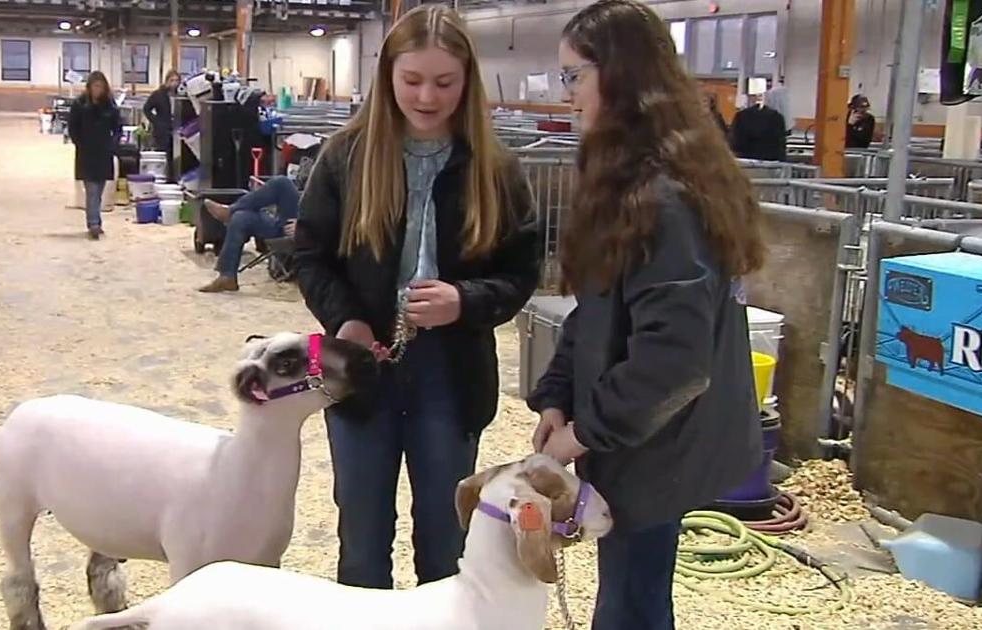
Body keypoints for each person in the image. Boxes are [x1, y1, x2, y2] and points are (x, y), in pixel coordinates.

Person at [529, 1, 765, 628]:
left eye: (574, 76)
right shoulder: (625, 180)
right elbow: (599, 311)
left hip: (657, 443)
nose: (569, 95)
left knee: (632, 603)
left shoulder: (663, 199)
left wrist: (582, 434)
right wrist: (556, 395)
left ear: (622, 75)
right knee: (632, 590)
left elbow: (674, 362)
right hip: (635, 435)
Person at [293, 4, 541, 590]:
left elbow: (520, 271)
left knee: (444, 541)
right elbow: (309, 255)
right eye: (412, 80)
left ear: (466, 82)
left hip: (451, 375)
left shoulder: (496, 168)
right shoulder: (344, 156)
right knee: (361, 539)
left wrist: (465, 300)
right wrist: (346, 320)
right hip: (358, 367)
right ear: (388, 78)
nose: (427, 96)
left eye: (444, 82)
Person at [196, 175, 300, 293]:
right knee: (240, 218)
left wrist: (306, 224)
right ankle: (227, 276)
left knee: (282, 183)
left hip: (309, 229)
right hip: (288, 223)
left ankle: (229, 210)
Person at [68, 71, 122, 239]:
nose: (98, 90)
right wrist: (80, 143)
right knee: (91, 189)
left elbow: (118, 127)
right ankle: (94, 224)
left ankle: (94, 220)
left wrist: (113, 145)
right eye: (95, 86)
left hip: (104, 153)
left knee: (98, 191)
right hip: (87, 153)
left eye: (101, 86)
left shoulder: (110, 105)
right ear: (89, 87)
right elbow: (72, 127)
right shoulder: (79, 104)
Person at [730, 91, 788, 161]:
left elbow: (734, 142)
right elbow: (781, 145)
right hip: (771, 162)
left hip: (745, 161)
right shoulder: (777, 117)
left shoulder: (741, 116)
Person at [143, 70, 181, 153]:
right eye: (172, 80)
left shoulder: (181, 95)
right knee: (163, 152)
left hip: (177, 129)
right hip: (162, 130)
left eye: (176, 80)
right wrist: (156, 121)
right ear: (167, 81)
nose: (174, 83)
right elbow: (146, 109)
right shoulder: (158, 94)